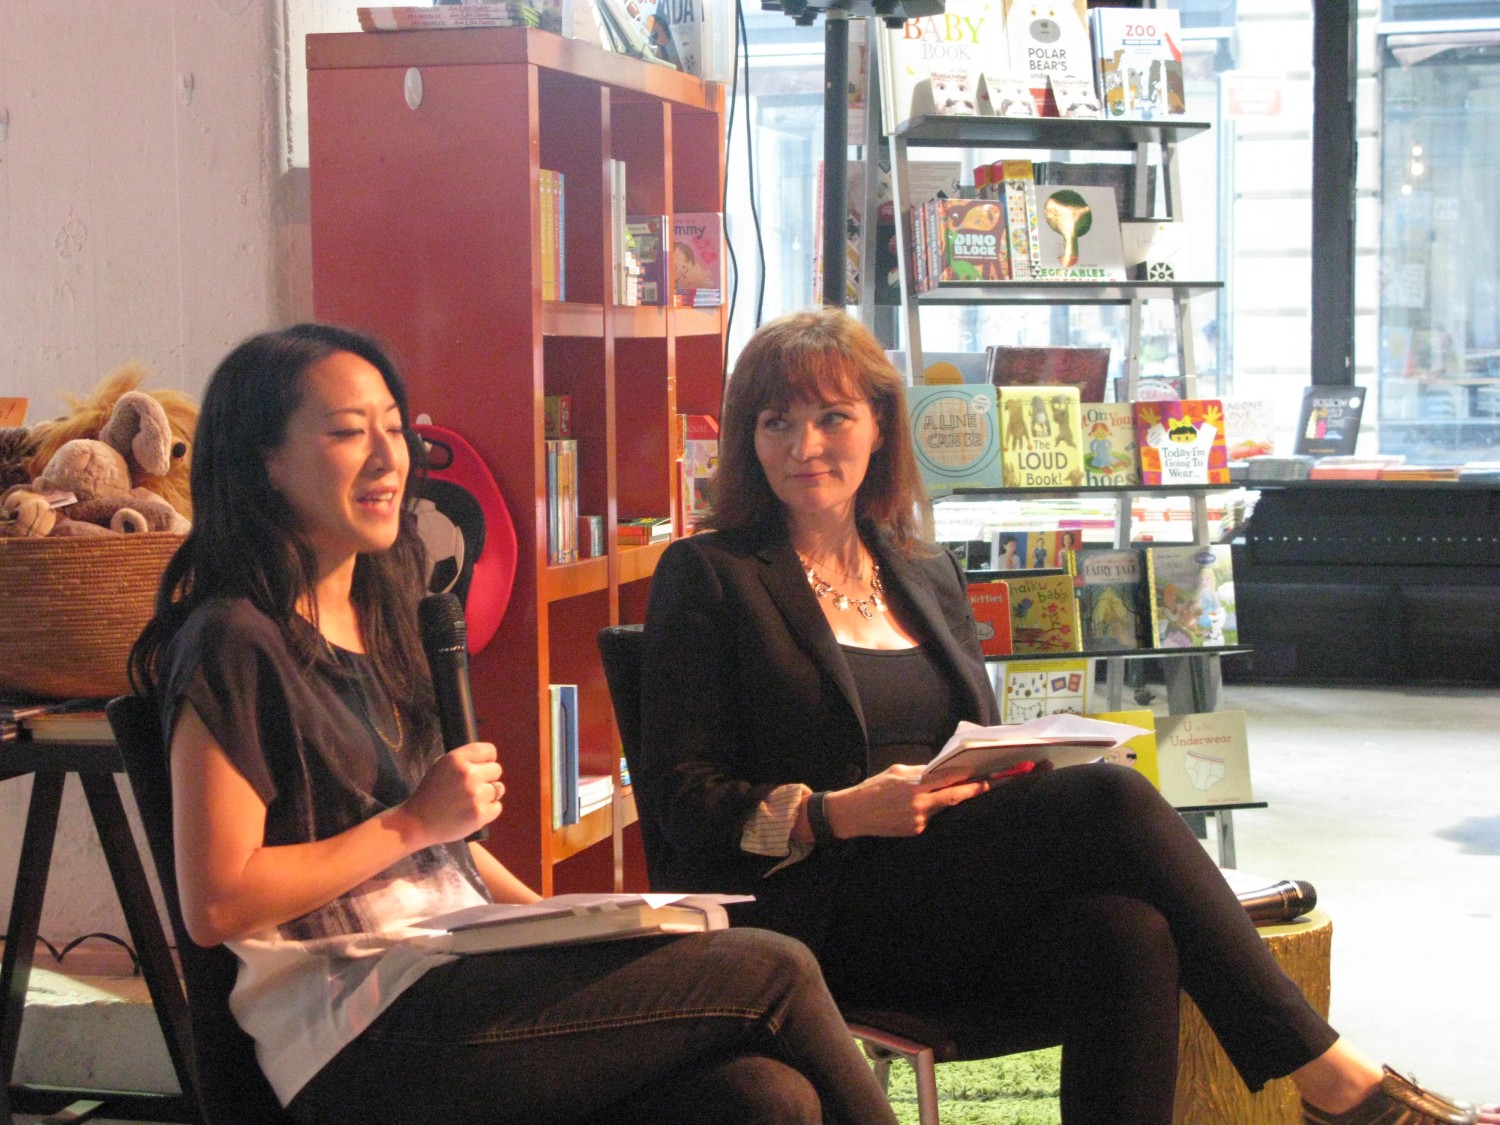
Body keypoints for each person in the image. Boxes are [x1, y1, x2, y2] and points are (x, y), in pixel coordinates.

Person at [638, 307, 1498, 1125]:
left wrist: (1019, 765)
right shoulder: (710, 574)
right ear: (749, 439)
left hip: (945, 891)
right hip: (818, 912)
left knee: (1128, 931)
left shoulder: (922, 569)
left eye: (832, 417)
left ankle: (1327, 1084)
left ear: (880, 428)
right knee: (1112, 800)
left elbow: (973, 740)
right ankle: (1333, 1078)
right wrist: (836, 812)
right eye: (777, 423)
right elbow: (683, 800)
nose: (805, 446)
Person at [128, 323, 898, 1125]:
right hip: (358, 1032)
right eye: (349, 432)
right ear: (264, 461)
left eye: (394, 427)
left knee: (763, 1097)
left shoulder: (382, 617)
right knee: (775, 969)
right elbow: (218, 901)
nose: (390, 458)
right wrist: (412, 822)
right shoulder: (232, 638)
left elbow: (442, 852)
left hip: (447, 975)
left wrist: (563, 926)